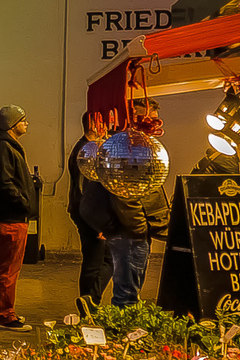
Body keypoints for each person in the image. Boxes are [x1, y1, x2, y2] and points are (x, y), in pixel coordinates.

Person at [0, 105, 36, 331]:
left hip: (11, 216)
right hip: (11, 218)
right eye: (23, 120)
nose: (26, 124)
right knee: (7, 269)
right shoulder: (3, 148)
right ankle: (5, 316)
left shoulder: (5, 146)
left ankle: (4, 311)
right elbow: (4, 183)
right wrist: (23, 202)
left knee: (5, 268)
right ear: (13, 124)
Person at [67, 111, 111, 304]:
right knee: (97, 260)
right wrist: (98, 222)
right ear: (95, 125)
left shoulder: (85, 147)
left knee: (102, 259)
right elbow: (86, 189)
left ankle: (89, 300)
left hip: (85, 211)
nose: (108, 127)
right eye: (105, 123)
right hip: (88, 214)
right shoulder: (87, 150)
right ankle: (89, 301)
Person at [104, 182, 170, 306]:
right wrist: (139, 229)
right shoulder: (128, 166)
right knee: (127, 296)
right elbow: (125, 195)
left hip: (131, 232)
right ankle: (125, 323)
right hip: (130, 234)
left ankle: (125, 319)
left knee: (129, 291)